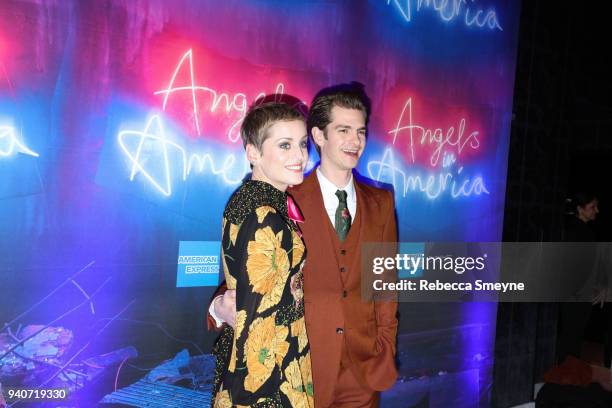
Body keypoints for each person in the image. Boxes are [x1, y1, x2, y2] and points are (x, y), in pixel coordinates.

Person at [210, 83, 399, 407]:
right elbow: (242, 276)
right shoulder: (283, 196)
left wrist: (385, 347)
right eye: (343, 130)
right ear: (320, 136)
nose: (355, 141)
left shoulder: (381, 202)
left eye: (361, 131)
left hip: (364, 370)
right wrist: (217, 307)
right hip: (299, 369)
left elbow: (383, 284)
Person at [212, 101, 314, 407]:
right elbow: (258, 322)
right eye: (285, 145)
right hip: (271, 383)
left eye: (302, 144)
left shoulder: (246, 201)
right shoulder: (265, 217)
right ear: (253, 153)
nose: (299, 156)